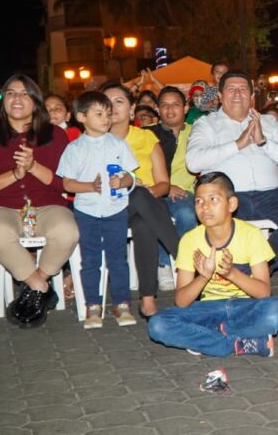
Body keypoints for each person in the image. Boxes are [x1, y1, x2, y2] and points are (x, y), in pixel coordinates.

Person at [0, 75, 79, 328]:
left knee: (67, 231)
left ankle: (36, 282)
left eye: (24, 93)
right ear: (2, 101)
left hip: (47, 205)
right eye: (10, 93)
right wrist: (16, 174)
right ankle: (40, 286)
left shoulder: (55, 135)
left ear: (36, 102)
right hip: (2, 207)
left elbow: (63, 183)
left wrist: (33, 166)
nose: (17, 98)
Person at [147, 172, 278, 357]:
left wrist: (232, 274)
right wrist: (204, 277)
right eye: (199, 201)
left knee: (276, 311)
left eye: (213, 199)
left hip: (244, 307)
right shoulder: (190, 240)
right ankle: (238, 344)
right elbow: (181, 301)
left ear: (232, 204)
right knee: (158, 324)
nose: (205, 207)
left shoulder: (251, 234)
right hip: (207, 309)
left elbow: (263, 292)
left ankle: (209, 338)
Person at [186, 71, 278, 272]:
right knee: (224, 227)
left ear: (251, 97)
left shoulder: (268, 122)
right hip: (229, 196)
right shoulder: (206, 124)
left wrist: (263, 141)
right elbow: (193, 162)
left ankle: (257, 269)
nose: (237, 94)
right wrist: (237, 144)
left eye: (243, 89)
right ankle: (250, 273)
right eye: (231, 89)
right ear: (220, 96)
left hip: (271, 195)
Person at [57, 91, 138, 329]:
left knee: (118, 259)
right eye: (99, 114)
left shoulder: (119, 144)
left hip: (116, 209)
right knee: (90, 259)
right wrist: (90, 187)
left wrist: (123, 181)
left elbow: (132, 175)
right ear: (82, 117)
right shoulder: (74, 148)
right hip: (87, 211)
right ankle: (93, 305)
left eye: (108, 114)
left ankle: (122, 303)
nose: (106, 119)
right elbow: (67, 183)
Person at [103, 82, 180, 318]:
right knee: (136, 192)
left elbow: (164, 184)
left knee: (143, 221)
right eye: (108, 102)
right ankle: (184, 255)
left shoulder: (147, 138)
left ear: (132, 107)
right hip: (108, 207)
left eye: (120, 101)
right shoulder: (94, 142)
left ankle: (147, 301)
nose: (113, 107)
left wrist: (146, 192)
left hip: (144, 207)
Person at [148, 86, 198, 291]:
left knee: (187, 213)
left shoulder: (197, 132)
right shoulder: (148, 134)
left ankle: (184, 265)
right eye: (164, 106)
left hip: (187, 193)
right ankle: (162, 264)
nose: (170, 110)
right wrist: (166, 187)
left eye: (175, 105)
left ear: (185, 108)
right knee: (152, 211)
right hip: (155, 190)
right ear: (157, 109)